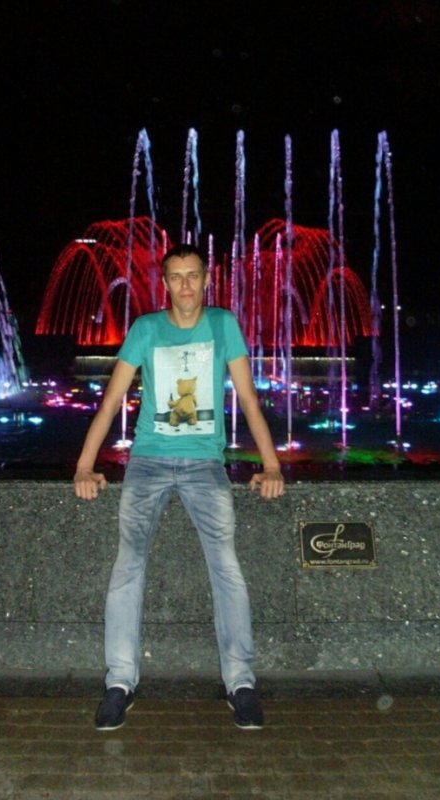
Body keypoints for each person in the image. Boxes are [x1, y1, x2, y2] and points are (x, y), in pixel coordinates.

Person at [74, 243, 285, 731]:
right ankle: (119, 682)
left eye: (193, 275)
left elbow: (249, 400)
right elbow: (111, 401)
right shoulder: (146, 329)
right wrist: (85, 466)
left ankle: (241, 682)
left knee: (226, 566)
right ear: (165, 283)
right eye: (176, 276)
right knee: (128, 565)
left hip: (205, 464)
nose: (185, 285)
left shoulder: (223, 325)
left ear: (207, 280)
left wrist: (272, 466)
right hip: (147, 460)